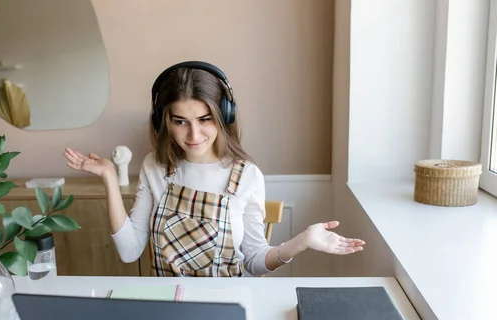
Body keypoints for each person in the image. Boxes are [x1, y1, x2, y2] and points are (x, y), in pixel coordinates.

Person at [64, 61, 364, 277]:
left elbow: (255, 261)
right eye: (180, 121)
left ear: (224, 116)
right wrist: (108, 178)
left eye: (205, 119)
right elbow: (129, 253)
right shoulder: (154, 166)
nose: (193, 136)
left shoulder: (247, 175)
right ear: (163, 121)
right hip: (168, 307)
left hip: (226, 308)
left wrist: (302, 241)